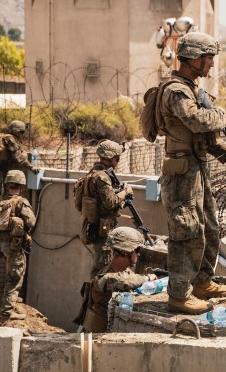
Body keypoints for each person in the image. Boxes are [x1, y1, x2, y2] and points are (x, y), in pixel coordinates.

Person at [156, 32, 226, 314]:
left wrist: (225, 151)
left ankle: (202, 282)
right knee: (186, 231)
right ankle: (179, 295)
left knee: (209, 227)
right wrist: (222, 115)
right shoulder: (176, 90)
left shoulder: (192, 88)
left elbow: (201, 137)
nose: (211, 64)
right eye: (208, 58)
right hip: (182, 173)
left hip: (196, 168)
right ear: (194, 57)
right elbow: (197, 121)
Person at [78, 227, 158, 333]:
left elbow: (128, 279)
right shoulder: (105, 278)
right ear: (126, 252)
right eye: (137, 250)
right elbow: (120, 281)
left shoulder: (126, 273)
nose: (138, 254)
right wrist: (147, 278)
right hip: (96, 340)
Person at [0, 170, 36, 325]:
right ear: (21, 186)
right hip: (15, 246)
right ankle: (5, 315)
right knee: (13, 279)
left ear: (7, 184)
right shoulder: (21, 202)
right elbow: (31, 222)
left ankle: (12, 305)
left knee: (11, 275)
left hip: (1, 245)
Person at [80, 140, 134, 278]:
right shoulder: (102, 177)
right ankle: (94, 298)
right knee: (101, 270)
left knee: (99, 269)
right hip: (103, 230)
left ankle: (94, 296)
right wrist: (125, 192)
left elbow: (102, 202)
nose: (118, 161)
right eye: (117, 158)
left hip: (97, 226)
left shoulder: (93, 173)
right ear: (113, 159)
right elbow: (110, 202)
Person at [0, 120, 34, 214]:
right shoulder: (10, 139)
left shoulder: (2, 137)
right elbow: (18, 156)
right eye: (21, 132)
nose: (22, 134)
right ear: (15, 131)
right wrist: (31, 167)